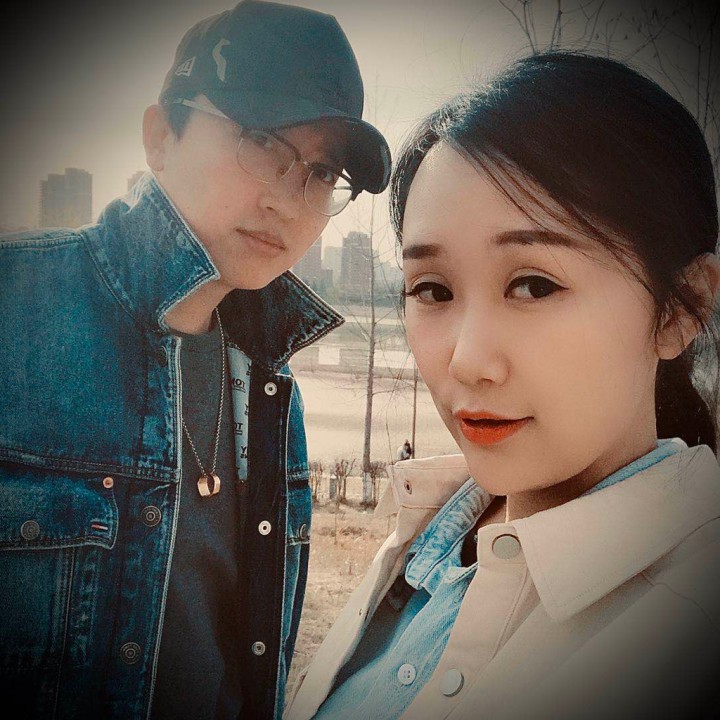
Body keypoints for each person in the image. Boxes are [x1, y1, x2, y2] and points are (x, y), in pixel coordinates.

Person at [285, 52, 720, 720]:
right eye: (433, 290)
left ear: (680, 309)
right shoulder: (427, 541)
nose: (467, 361)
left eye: (534, 285)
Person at [0, 2, 390, 718]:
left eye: (321, 171)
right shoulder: (14, 305)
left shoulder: (271, 383)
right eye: (262, 141)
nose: (288, 201)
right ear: (160, 136)